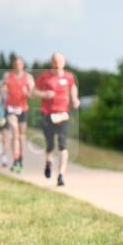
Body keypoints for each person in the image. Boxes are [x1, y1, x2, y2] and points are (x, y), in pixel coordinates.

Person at [34, 53, 79, 186]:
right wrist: (44, 94)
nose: (58, 63)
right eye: (55, 61)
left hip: (63, 113)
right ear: (52, 63)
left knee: (62, 143)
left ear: (64, 63)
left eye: (60, 61)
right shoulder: (45, 76)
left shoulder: (69, 76)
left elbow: (73, 88)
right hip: (47, 114)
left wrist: (75, 99)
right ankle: (48, 162)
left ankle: (61, 175)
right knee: (50, 144)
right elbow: (33, 91)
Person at [4, 56, 35, 173]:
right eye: (16, 64)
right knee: (14, 131)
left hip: (22, 109)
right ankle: (15, 159)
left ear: (23, 65)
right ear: (13, 65)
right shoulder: (8, 76)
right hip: (10, 108)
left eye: (20, 64)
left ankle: (20, 158)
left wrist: (27, 93)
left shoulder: (28, 77)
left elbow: (32, 93)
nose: (18, 66)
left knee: (21, 137)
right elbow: (2, 88)